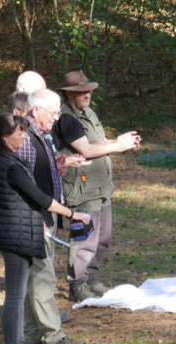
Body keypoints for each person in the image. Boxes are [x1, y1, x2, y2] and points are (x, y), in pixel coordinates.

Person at [0, 113, 91, 344]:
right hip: (16, 237)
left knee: (18, 295)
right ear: (4, 138)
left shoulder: (8, 161)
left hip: (18, 235)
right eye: (19, 133)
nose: (23, 137)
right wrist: (72, 213)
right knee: (15, 297)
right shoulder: (9, 165)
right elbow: (40, 198)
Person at [52, 71, 141, 302]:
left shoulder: (88, 113)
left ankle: (92, 279)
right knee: (84, 239)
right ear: (69, 94)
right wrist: (117, 147)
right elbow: (87, 150)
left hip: (101, 187)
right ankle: (77, 285)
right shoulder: (66, 118)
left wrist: (121, 141)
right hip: (82, 189)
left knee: (103, 237)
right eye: (82, 91)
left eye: (89, 90)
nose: (87, 94)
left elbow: (98, 144)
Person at [16, 88, 87, 344]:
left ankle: (31, 332)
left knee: (35, 277)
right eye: (54, 112)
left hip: (42, 216)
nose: (58, 117)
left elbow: (35, 174)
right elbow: (26, 184)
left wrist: (57, 167)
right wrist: (45, 215)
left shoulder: (40, 134)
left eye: (58, 112)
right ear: (36, 111)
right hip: (36, 218)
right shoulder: (26, 139)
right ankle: (53, 336)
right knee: (43, 277)